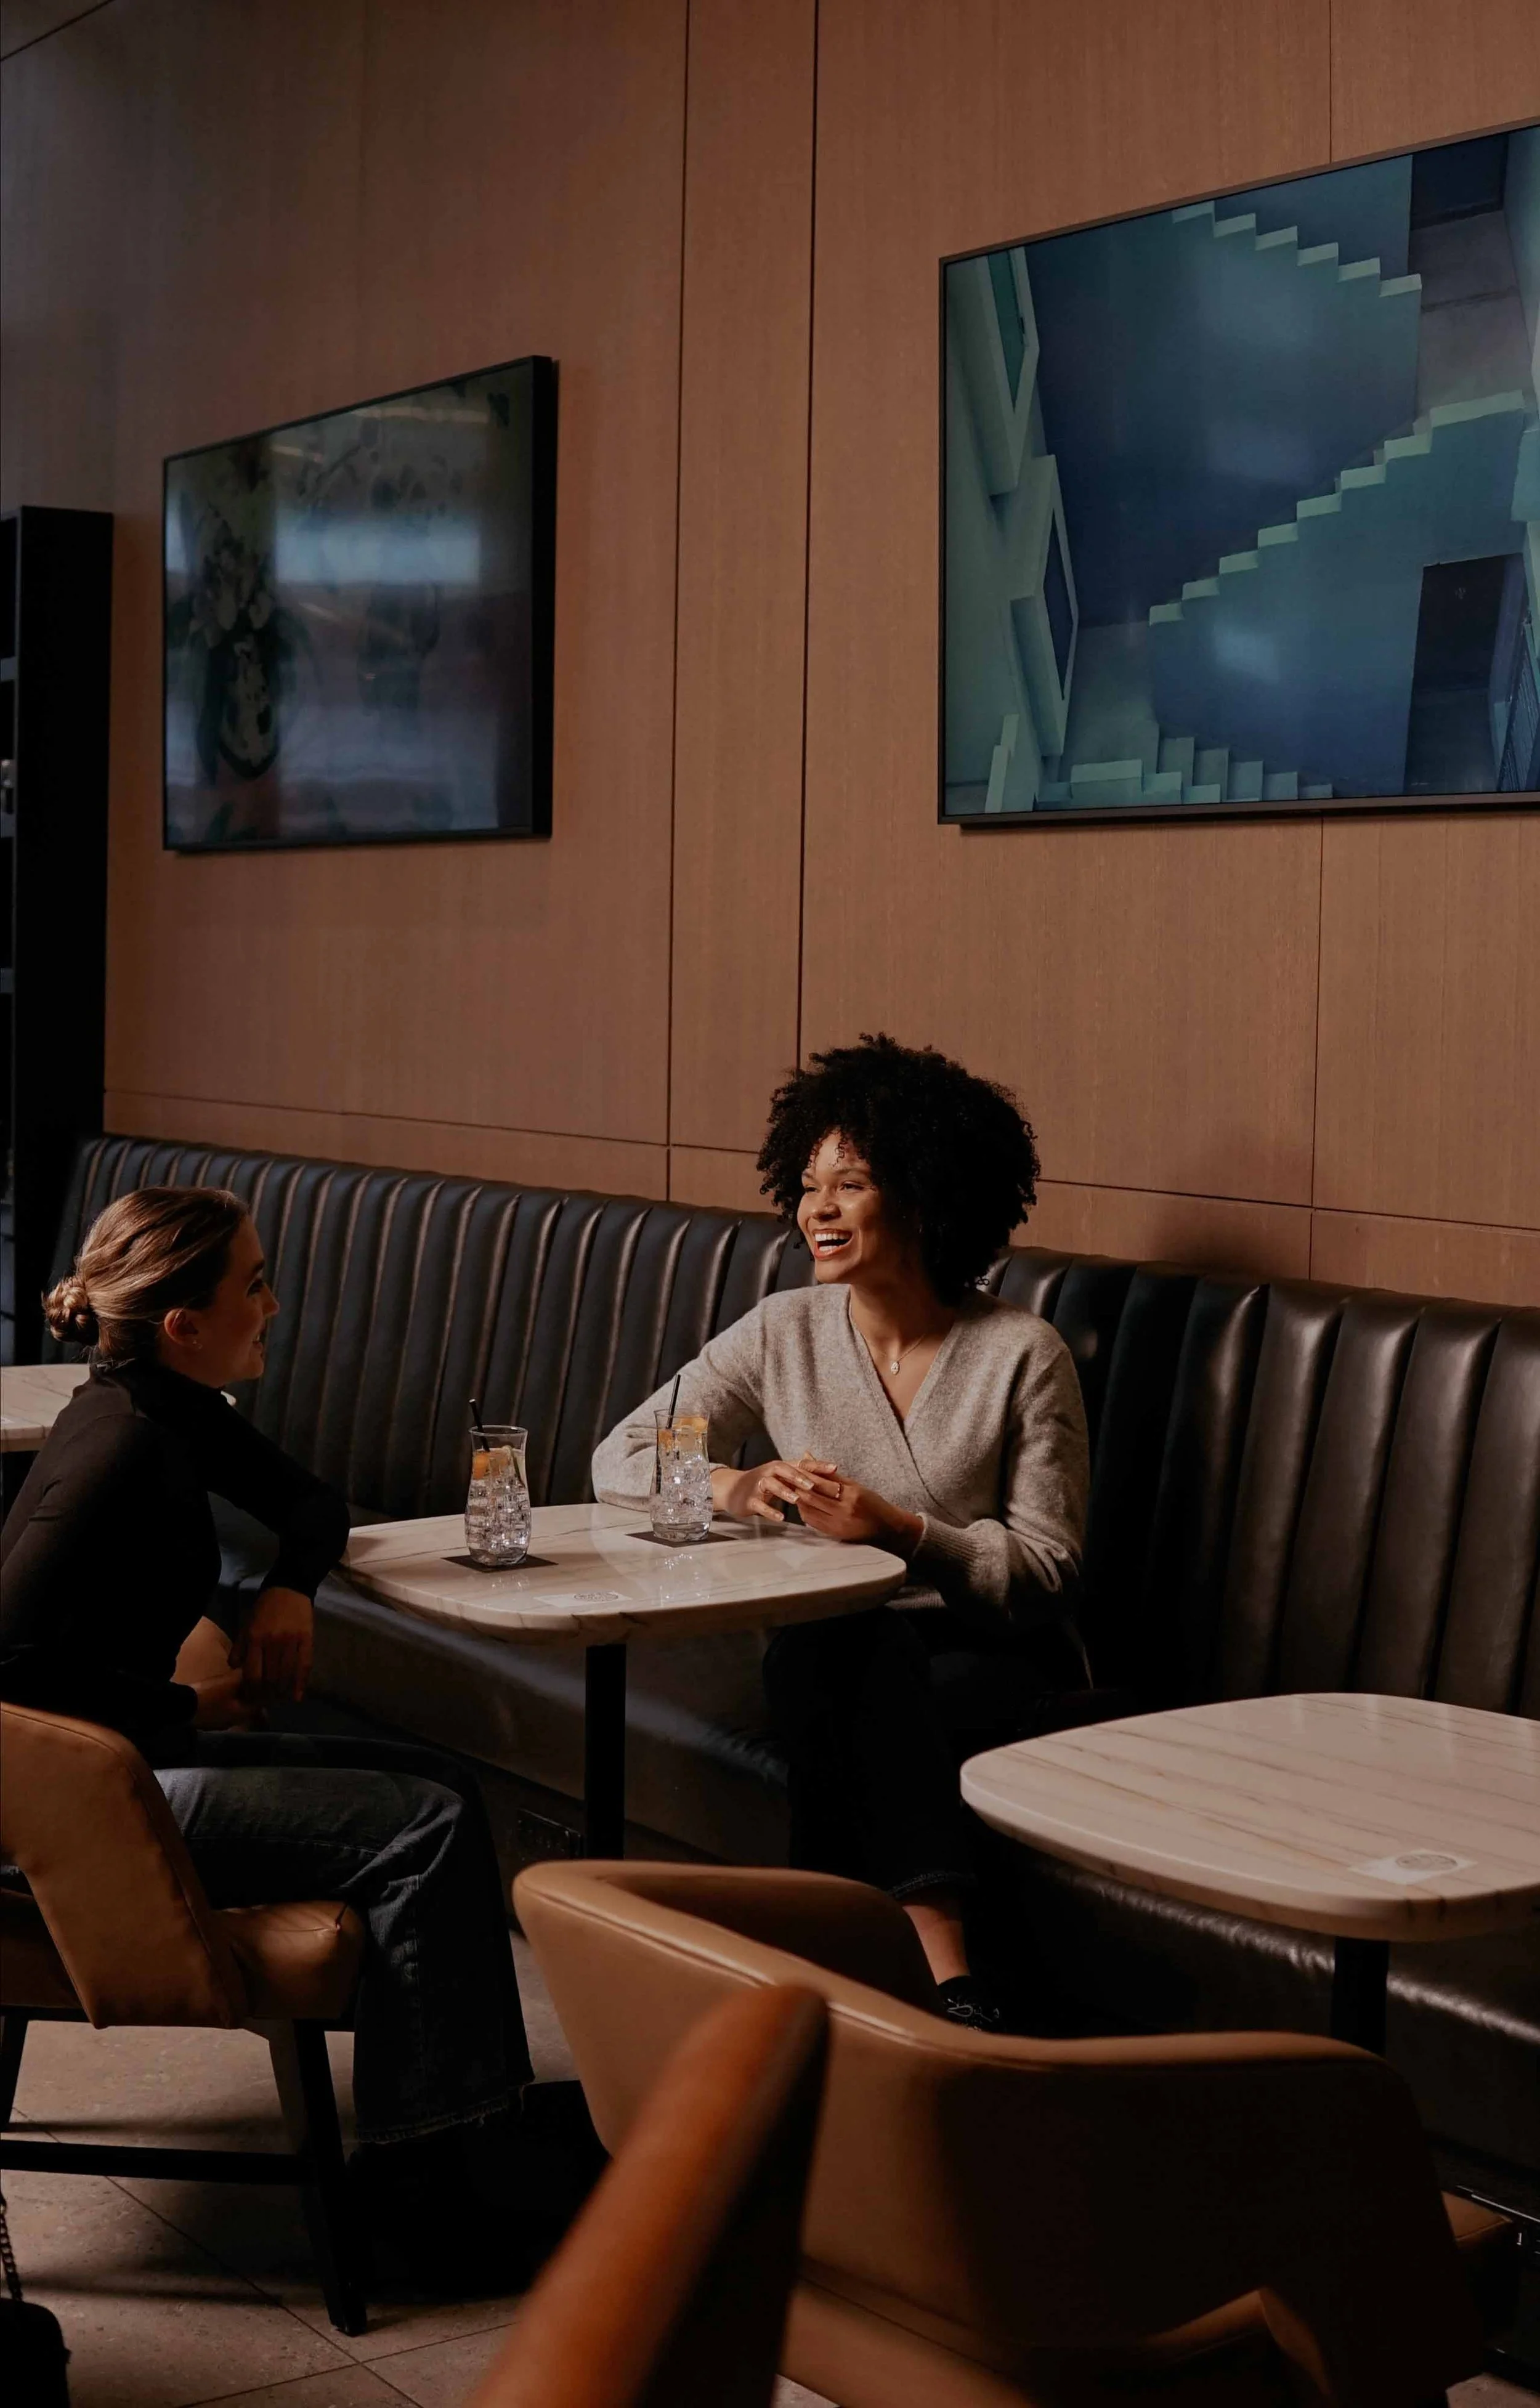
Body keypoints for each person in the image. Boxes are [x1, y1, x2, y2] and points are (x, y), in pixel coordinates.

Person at [0, 1186, 577, 2290]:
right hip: (79, 1813)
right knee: (427, 1827)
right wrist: (189, 1712)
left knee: (444, 1792)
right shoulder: (118, 1443)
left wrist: (287, 1592)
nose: (275, 1305)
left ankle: (454, 2138)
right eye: (254, 1286)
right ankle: (428, 2182)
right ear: (184, 1323)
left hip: (127, 1772)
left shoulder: (163, 1407)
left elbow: (316, 1505)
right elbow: (7, 1666)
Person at [593, 1033, 1090, 2029]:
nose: (814, 1209)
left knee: (839, 1666)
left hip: (991, 1653)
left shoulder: (1021, 1353)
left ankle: (828, 1980)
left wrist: (901, 1531)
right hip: (840, 1643)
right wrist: (736, 1485)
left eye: (849, 1184)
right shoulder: (785, 1330)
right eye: (807, 1185)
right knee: (839, 1647)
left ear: (923, 1193)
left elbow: (1047, 1570)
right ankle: (943, 1973)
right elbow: (621, 1455)